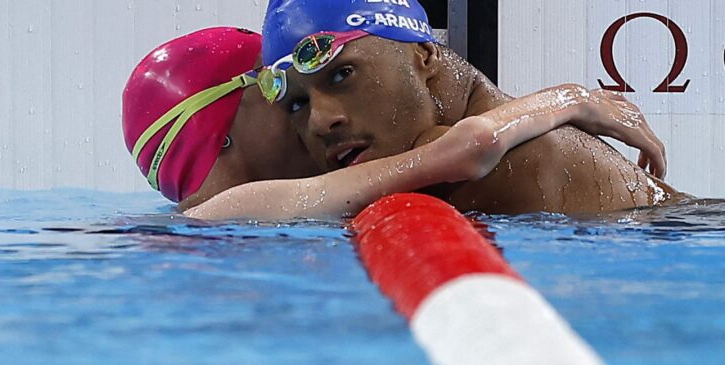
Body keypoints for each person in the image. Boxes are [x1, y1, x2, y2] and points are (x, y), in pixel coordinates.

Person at [122, 27, 671, 221]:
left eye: (335, 80)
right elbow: (465, 147)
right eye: (287, 99)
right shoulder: (235, 214)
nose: (318, 120)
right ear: (225, 135)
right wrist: (573, 99)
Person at [260, 0, 684, 215]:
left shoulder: (516, 158)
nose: (320, 121)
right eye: (296, 103)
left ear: (424, 56)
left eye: (341, 75)